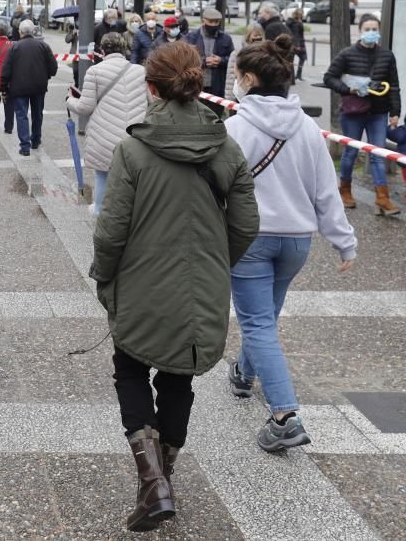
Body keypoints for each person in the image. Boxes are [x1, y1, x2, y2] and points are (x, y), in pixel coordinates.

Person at [90, 41, 259, 532]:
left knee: (129, 368)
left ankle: (152, 482)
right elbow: (247, 224)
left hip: (141, 282)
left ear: (150, 88)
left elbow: (111, 228)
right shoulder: (227, 147)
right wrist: (214, 261)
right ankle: (164, 476)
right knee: (178, 376)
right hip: (198, 286)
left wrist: (104, 273)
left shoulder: (133, 148)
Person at [225, 35, 357, 451]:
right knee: (265, 316)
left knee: (258, 321)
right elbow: (326, 193)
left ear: (248, 79)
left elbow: (217, 188)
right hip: (296, 242)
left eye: (236, 76)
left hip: (250, 238)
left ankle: (284, 415)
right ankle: (244, 374)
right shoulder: (308, 129)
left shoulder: (233, 128)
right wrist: (344, 242)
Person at [324, 14, 401, 215]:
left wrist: (395, 112)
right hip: (353, 113)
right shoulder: (347, 54)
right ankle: (345, 191)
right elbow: (329, 77)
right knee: (350, 152)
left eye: (374, 29)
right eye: (367, 29)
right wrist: (348, 89)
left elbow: (393, 86)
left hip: (378, 112)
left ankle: (382, 199)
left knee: (378, 153)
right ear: (359, 31)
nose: (371, 33)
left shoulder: (386, 55)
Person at [66, 32, 148, 214]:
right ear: (124, 49)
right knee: (132, 177)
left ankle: (100, 209)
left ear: (102, 50)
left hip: (104, 134)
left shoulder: (94, 71)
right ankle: (132, 212)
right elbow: (151, 101)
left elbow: (85, 107)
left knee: (103, 174)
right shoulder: (140, 71)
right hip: (135, 135)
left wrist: (69, 100)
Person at [1, 19, 58, 156]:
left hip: (19, 88)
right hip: (39, 87)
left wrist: (4, 88)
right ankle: (36, 140)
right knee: (37, 114)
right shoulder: (43, 46)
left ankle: (25, 147)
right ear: (33, 32)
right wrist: (47, 75)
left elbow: (6, 70)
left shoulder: (14, 47)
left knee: (21, 115)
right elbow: (54, 68)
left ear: (20, 33)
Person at [187, 7, 235, 116]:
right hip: (197, 84)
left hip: (218, 85)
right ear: (203, 20)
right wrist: (203, 61)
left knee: (215, 115)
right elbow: (185, 59)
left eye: (216, 22)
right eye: (210, 21)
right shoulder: (191, 37)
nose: (213, 25)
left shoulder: (226, 38)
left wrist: (221, 60)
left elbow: (232, 59)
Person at [224, 24, 264, 100]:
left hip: (260, 96)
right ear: (248, 36)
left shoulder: (266, 53)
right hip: (240, 96)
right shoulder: (237, 53)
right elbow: (231, 76)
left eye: (260, 35)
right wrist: (229, 99)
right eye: (255, 35)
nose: (258, 38)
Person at [286, 8, 306, 81]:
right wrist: (297, 45)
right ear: (299, 15)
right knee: (302, 57)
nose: (303, 15)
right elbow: (296, 34)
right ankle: (297, 75)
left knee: (292, 59)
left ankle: (294, 76)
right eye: (302, 14)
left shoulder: (291, 21)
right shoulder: (296, 23)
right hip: (297, 43)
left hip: (292, 43)